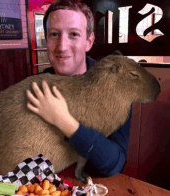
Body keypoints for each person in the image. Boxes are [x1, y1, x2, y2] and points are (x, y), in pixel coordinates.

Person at [26, 0, 132, 178]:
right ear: (46, 40)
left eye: (73, 34)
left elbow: (115, 164)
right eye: (54, 34)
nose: (62, 46)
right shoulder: (36, 86)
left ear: (89, 41)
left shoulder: (116, 89)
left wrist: (64, 122)